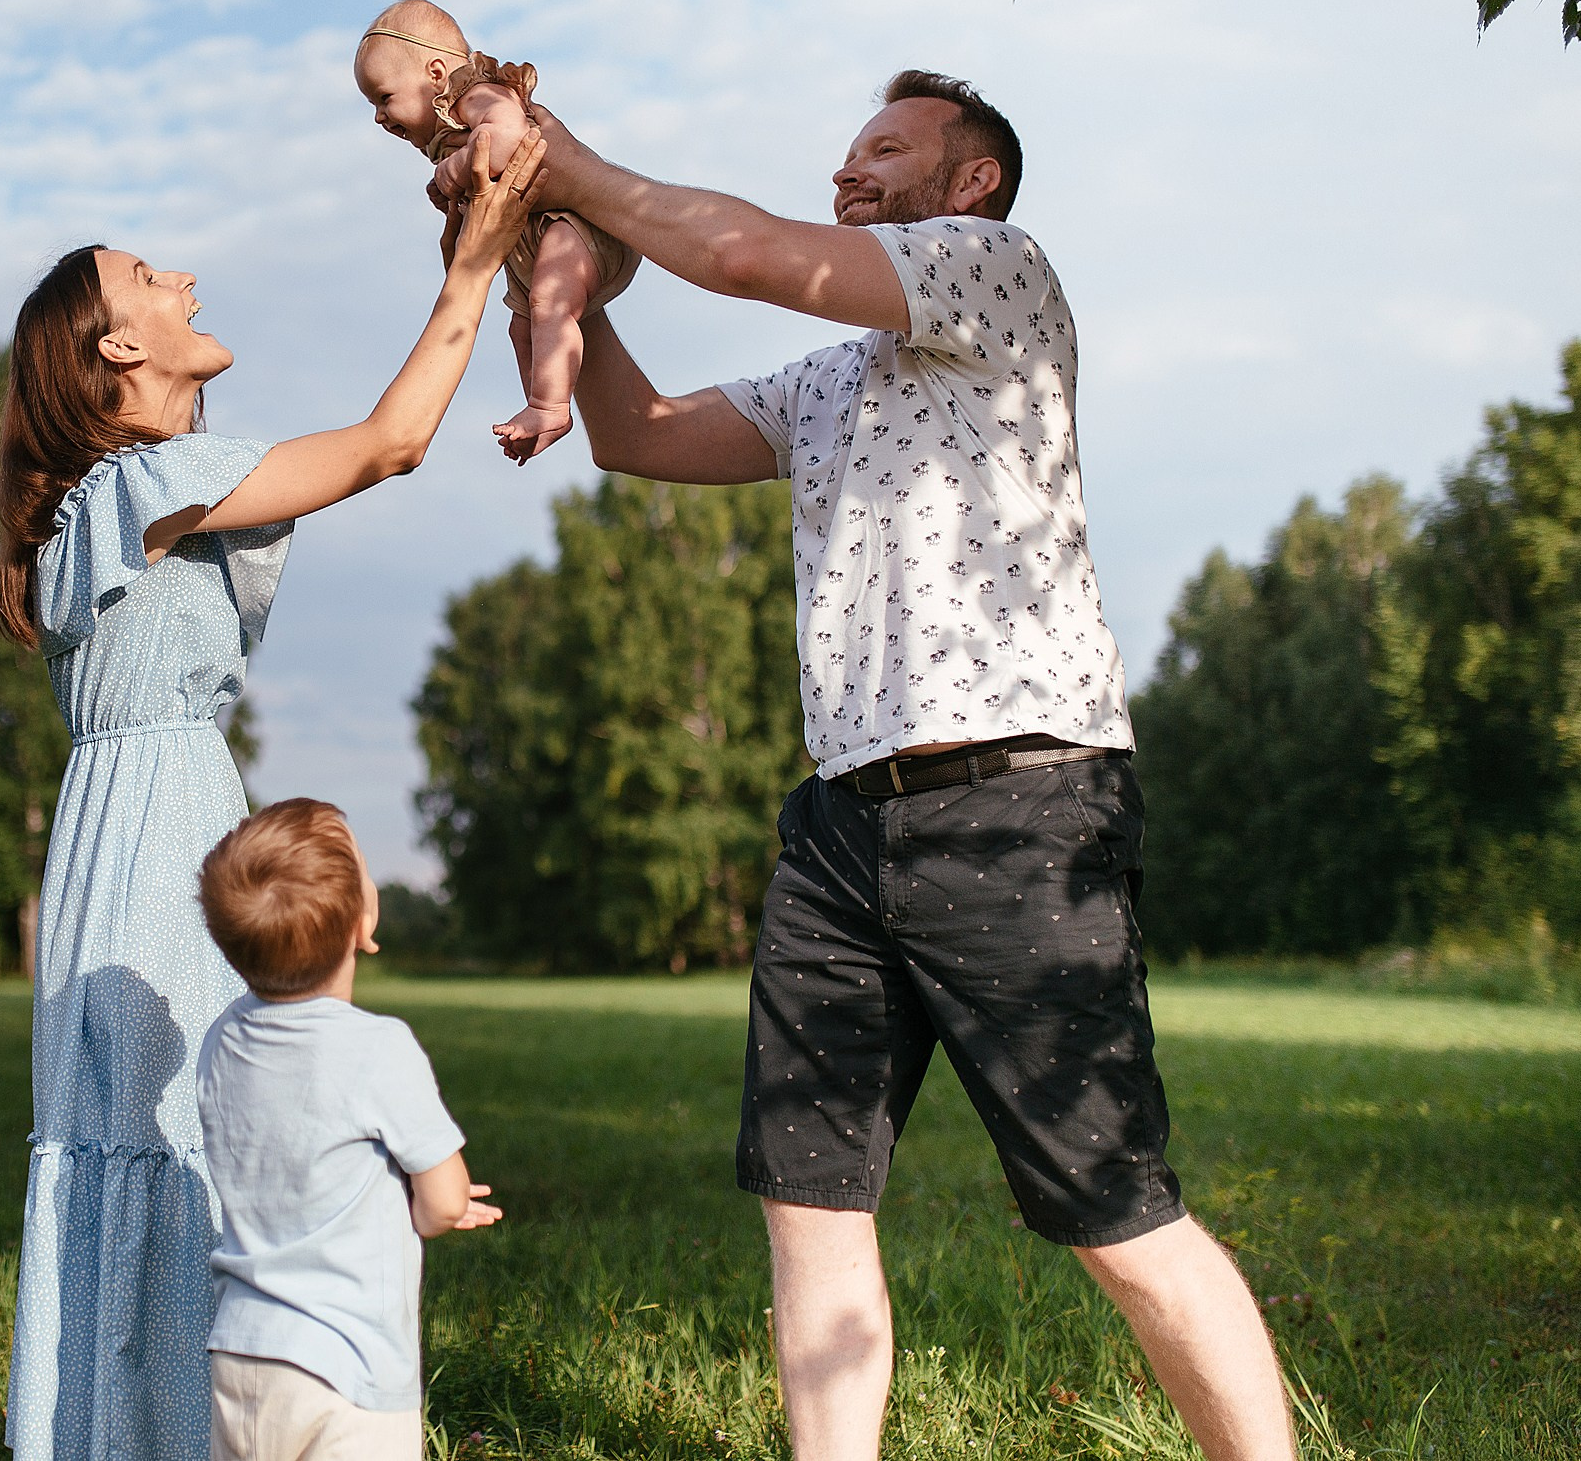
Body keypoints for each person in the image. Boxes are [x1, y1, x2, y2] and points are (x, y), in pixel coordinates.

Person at [530, 71, 1296, 1461]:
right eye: (843, 152)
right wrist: (543, 263)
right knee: (809, 1202)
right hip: (838, 829)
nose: (848, 170)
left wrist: (563, 162)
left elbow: (742, 252)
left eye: (883, 148)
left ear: (969, 180)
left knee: (1113, 1211)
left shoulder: (999, 274)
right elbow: (633, 433)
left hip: (1016, 804)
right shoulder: (828, 379)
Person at [0, 128, 545, 1461]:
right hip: (157, 832)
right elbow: (388, 445)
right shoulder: (139, 484)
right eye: (146, 276)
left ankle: (125, 1427)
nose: (179, 276)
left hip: (123, 824)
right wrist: (472, 270)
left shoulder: (111, 498)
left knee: (139, 1131)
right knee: (172, 1125)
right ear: (117, 346)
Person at [194, 798, 501, 1461]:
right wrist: (438, 1208)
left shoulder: (221, 1040)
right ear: (361, 924)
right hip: (349, 1368)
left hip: (240, 1352)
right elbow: (442, 1200)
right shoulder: (379, 1049)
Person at [353, 0, 638, 464]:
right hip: (536, 243)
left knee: (548, 302)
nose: (379, 117)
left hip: (575, 225)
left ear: (436, 74)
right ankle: (539, 406)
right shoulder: (444, 132)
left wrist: (459, 167)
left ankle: (550, 406)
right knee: (521, 327)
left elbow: (510, 139)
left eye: (384, 98)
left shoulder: (475, 93)